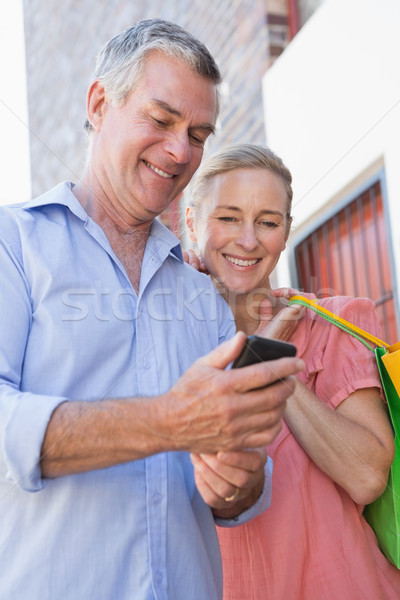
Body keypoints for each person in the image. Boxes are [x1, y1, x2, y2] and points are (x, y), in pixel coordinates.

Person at [0, 22, 303, 600]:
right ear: (98, 103)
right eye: (161, 120)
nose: (180, 151)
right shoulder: (13, 246)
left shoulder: (201, 297)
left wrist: (236, 482)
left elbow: (245, 491)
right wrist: (168, 421)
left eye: (198, 133)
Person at [185, 142, 400, 599]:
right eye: (227, 217)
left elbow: (366, 476)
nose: (247, 240)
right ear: (191, 223)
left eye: (267, 222)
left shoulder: (331, 324)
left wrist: (269, 361)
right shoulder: (173, 342)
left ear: (285, 233)